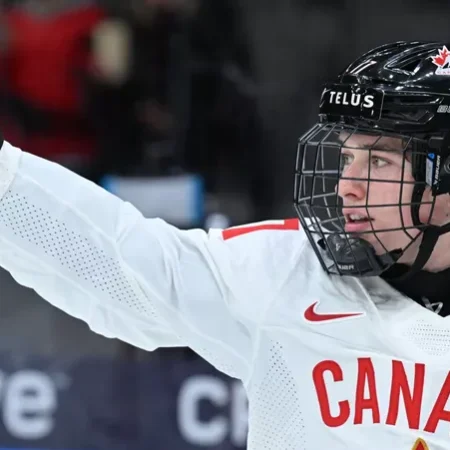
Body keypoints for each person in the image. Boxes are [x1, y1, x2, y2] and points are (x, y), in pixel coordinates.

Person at [0, 40, 450, 449]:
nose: (346, 186)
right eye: (347, 157)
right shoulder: (287, 270)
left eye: (378, 160)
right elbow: (126, 263)